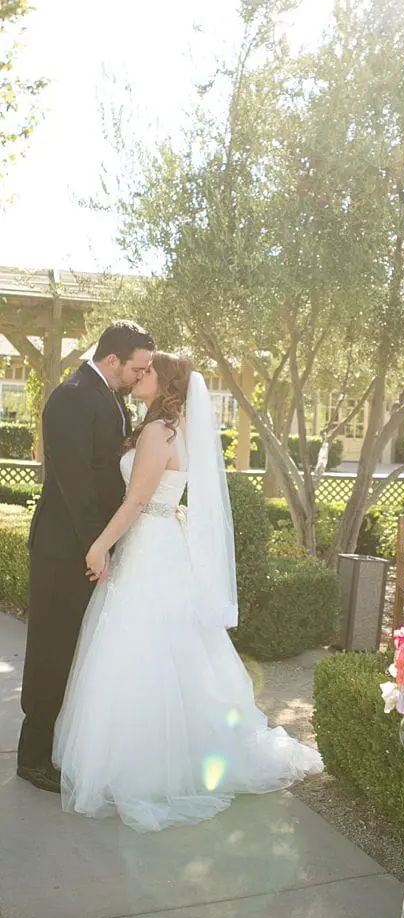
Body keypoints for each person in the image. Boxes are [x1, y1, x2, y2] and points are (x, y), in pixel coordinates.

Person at [52, 352, 323, 832]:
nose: (140, 375)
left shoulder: (159, 432)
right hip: (156, 542)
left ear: (167, 384)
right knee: (164, 648)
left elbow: (138, 500)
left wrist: (98, 545)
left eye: (149, 371)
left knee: (141, 648)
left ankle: (147, 766)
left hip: (150, 546)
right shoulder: (167, 428)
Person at [17, 321, 155, 793]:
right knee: (50, 651)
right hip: (64, 548)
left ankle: (53, 747)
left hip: (87, 545)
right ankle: (32, 758)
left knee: (73, 651)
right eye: (137, 368)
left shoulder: (109, 396)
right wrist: (97, 547)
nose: (141, 376)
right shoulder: (71, 397)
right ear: (112, 359)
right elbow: (75, 482)